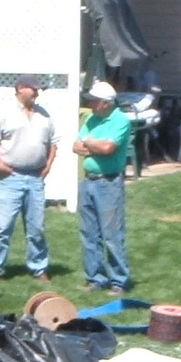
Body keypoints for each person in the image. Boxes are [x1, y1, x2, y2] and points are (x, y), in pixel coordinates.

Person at [0, 74, 57, 281]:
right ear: (21, 88)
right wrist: (0, 164)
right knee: (2, 226)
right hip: (10, 178)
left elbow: (53, 143)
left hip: (35, 178)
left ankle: (39, 267)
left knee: (36, 227)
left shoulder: (44, 115)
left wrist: (48, 165)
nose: (37, 93)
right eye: (34, 89)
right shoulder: (4, 113)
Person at [73, 79, 133, 296]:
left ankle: (119, 280)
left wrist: (89, 143)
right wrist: (93, 145)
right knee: (88, 232)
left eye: (94, 101)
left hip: (108, 183)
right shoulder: (91, 119)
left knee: (112, 234)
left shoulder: (120, 121)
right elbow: (75, 147)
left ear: (105, 103)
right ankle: (95, 277)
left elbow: (108, 148)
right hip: (88, 180)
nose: (90, 104)